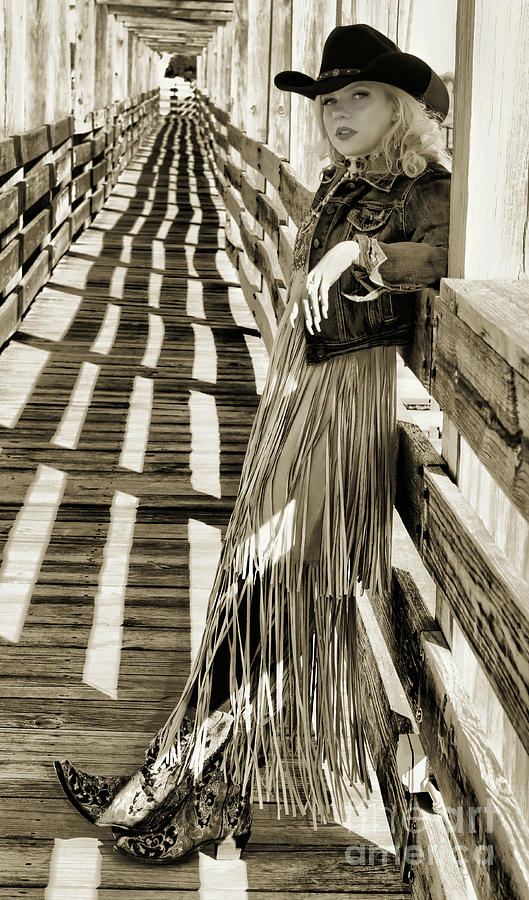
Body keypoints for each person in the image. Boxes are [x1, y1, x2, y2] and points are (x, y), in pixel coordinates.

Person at [53, 23, 451, 863]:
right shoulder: (336, 181)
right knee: (242, 600)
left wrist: (359, 249)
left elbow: (441, 257)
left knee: (261, 600)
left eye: (359, 98)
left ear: (400, 105)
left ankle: (160, 788)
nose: (337, 113)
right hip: (294, 407)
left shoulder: (425, 187)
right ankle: (204, 796)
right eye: (328, 101)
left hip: (341, 423)